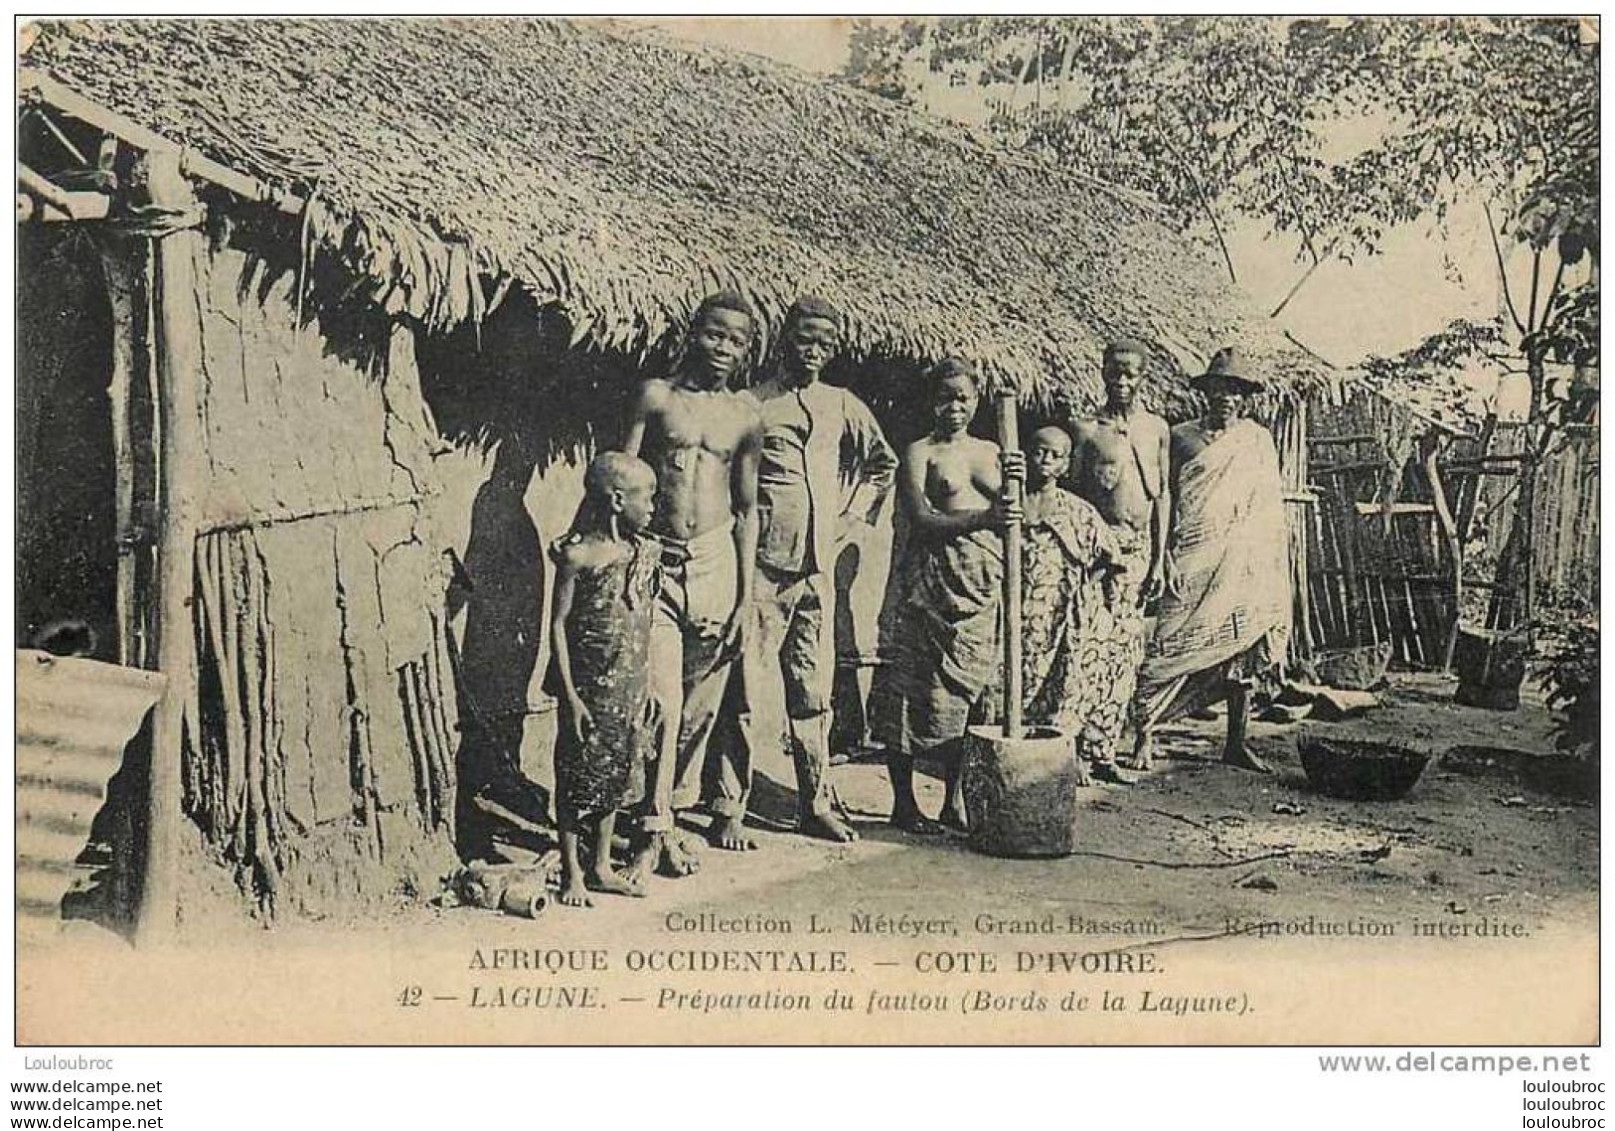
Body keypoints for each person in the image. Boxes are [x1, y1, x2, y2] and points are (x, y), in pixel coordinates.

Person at [716, 297, 897, 846]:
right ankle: (728, 806)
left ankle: (815, 803)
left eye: (823, 342)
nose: (812, 351)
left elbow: (882, 463)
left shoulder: (841, 404)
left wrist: (850, 517)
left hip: (817, 570)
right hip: (764, 567)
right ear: (784, 339)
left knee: (813, 695)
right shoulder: (753, 404)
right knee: (745, 691)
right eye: (804, 339)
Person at [622, 292, 763, 878]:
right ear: (693, 332)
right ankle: (652, 828)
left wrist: (745, 595)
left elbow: (749, 506)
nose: (723, 348)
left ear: (747, 348)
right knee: (660, 698)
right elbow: (621, 476)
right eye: (714, 334)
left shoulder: (747, 415)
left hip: (716, 561)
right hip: (658, 555)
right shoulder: (657, 397)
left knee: (700, 707)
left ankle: (665, 814)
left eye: (736, 339)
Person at [875, 358, 1023, 833]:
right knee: (911, 691)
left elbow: (1018, 512)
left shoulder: (994, 451)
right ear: (931, 401)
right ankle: (904, 802)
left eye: (963, 398)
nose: (954, 407)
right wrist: (983, 520)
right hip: (933, 584)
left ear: (976, 401)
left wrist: (1024, 476)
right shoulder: (919, 452)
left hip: (982, 588)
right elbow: (920, 516)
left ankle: (954, 800)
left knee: (972, 695)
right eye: (945, 397)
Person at [1129, 347, 1291, 773]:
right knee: (1166, 645)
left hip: (1243, 560)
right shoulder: (1180, 438)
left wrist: (1270, 565)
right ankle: (1143, 734)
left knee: (1241, 650)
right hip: (1193, 554)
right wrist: (1162, 553)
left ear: (1246, 398)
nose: (1226, 398)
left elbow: (1270, 508)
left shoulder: (1256, 440)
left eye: (1234, 391)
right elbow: (1163, 499)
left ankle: (1236, 742)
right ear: (1206, 393)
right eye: (1219, 389)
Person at [547, 453, 660, 907]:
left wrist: (646, 687)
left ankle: (600, 866)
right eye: (646, 497)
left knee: (618, 773)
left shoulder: (639, 553)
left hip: (628, 687)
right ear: (616, 500)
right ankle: (572, 871)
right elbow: (557, 624)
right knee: (577, 777)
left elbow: (642, 623)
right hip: (589, 690)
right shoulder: (578, 556)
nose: (653, 505)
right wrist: (570, 695)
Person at [1070, 338, 1172, 781]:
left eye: (1130, 373)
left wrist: (1160, 556)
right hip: (1098, 553)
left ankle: (1104, 750)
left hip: (1141, 551)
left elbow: (1163, 494)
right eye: (1115, 372)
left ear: (1142, 376)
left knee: (1125, 653)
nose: (1122, 381)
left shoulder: (1157, 429)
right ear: (1103, 372)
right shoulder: (1086, 429)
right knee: (1086, 647)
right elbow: (1072, 496)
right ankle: (1073, 749)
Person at [1017, 426, 1126, 776]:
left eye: (1055, 455)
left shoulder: (1078, 511)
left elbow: (1112, 559)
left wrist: (1086, 594)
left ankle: (1058, 757)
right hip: (1015, 611)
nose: (1045, 460)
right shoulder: (1009, 502)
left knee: (1062, 681)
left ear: (1066, 465)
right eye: (1038, 451)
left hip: (1059, 614)